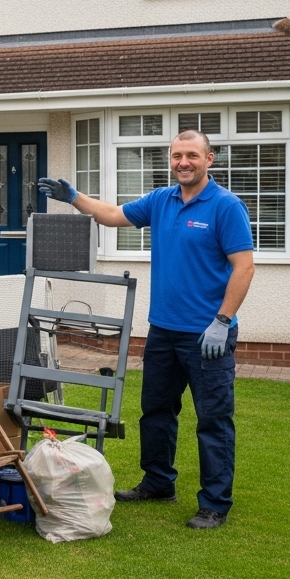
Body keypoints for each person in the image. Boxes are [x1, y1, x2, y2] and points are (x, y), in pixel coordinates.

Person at [37, 129, 255, 529]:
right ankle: (158, 482)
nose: (183, 162)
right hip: (163, 331)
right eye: (177, 156)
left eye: (192, 155)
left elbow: (244, 266)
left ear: (209, 160)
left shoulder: (226, 206)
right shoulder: (161, 200)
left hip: (207, 334)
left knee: (213, 419)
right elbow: (113, 215)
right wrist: (74, 197)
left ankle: (214, 503)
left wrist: (222, 321)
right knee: (156, 411)